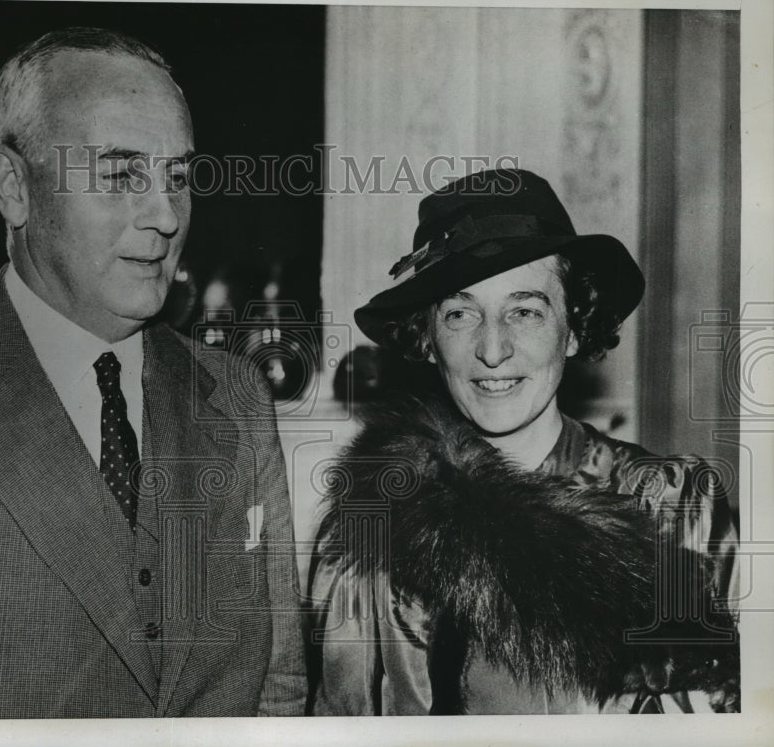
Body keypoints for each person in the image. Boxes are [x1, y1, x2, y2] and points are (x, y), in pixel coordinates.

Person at [0, 27, 306, 720]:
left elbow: (278, 690)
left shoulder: (237, 395)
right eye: (121, 174)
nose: (164, 215)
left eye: (179, 178)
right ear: (14, 187)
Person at [306, 168, 740, 715]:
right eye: (461, 314)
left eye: (526, 311)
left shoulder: (674, 504)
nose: (493, 349)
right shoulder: (372, 527)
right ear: (429, 339)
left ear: (576, 327)